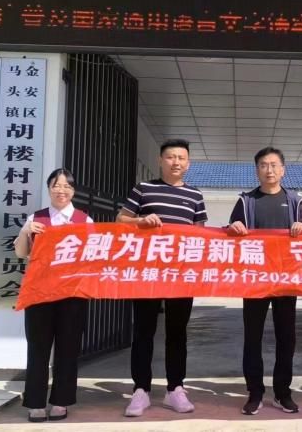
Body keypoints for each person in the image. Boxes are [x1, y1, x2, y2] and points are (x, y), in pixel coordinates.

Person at [118, 139, 208, 417]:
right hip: (147, 272)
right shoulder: (143, 188)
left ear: (188, 163)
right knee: (143, 331)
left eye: (181, 158)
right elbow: (121, 220)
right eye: (170, 157)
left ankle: (175, 389)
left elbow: (200, 234)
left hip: (181, 274)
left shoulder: (195, 195)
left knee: (177, 333)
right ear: (160, 160)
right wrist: (140, 221)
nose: (176, 162)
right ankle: (140, 390)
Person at [227, 147, 302, 416]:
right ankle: (255, 393)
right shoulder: (245, 201)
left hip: (286, 280)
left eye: (274, 165)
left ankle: (282, 393)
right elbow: (230, 233)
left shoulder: (295, 201)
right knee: (252, 338)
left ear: (283, 170)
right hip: (254, 281)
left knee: (286, 338)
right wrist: (234, 229)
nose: (269, 170)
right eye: (264, 165)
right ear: (257, 170)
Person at [14, 168, 93, 423]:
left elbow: (93, 257)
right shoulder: (36, 218)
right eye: (56, 185)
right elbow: (21, 253)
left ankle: (61, 401)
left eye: (67, 186)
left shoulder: (84, 220)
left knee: (68, 349)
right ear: (49, 189)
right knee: (38, 348)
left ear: (73, 191)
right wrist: (26, 231)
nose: (62, 190)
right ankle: (35, 402)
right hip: (39, 294)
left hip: (72, 295)